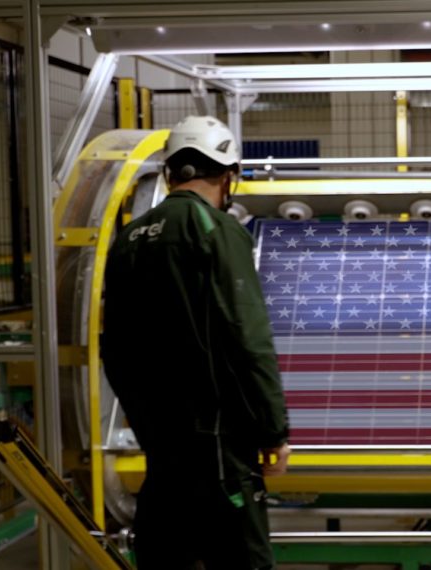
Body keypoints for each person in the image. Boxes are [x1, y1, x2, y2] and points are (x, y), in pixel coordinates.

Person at [102, 116, 290, 569]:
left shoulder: (129, 239)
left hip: (161, 444)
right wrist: (273, 428)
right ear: (229, 176)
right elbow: (248, 336)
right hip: (219, 446)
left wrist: (145, 420)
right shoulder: (218, 233)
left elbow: (114, 346)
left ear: (169, 174)